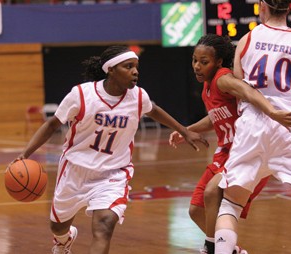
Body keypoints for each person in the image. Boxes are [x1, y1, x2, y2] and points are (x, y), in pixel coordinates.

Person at [11, 45, 209, 254]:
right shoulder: (81, 95)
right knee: (58, 226)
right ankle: (63, 241)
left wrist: (184, 131)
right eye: (128, 66)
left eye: (136, 67)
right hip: (75, 170)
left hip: (113, 173)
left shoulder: (138, 97)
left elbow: (154, 110)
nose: (135, 71)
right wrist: (26, 154)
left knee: (104, 226)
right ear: (111, 70)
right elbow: (52, 125)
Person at [169, 33, 291, 254]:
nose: (197, 66)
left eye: (204, 62)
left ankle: (212, 249)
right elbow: (215, 117)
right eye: (194, 60)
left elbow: (249, 91)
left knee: (212, 194)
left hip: (243, 150)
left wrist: (272, 112)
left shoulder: (223, 78)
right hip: (223, 153)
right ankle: (230, 249)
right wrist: (186, 130)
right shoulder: (208, 86)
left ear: (218, 61)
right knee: (195, 210)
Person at [214, 1, 291, 253]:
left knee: (230, 204)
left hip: (253, 125)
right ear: (289, 8)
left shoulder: (247, 39)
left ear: (263, 6)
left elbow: (242, 88)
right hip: (290, 123)